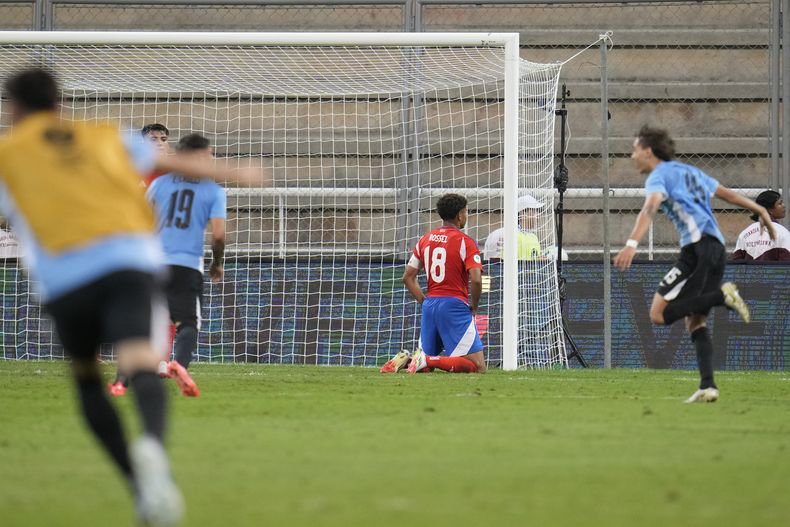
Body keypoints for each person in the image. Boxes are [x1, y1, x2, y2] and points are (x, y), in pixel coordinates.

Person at [0, 68, 258, 525]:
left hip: (67, 278)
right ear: (59, 101)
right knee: (143, 359)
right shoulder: (103, 135)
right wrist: (233, 171)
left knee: (86, 379)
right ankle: (153, 448)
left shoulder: (8, 153)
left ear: (14, 108)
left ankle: (139, 485)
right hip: (130, 265)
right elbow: (173, 163)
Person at [613, 125, 775, 403]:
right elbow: (725, 193)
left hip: (696, 251)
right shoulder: (689, 171)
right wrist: (758, 208)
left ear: (648, 152)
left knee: (657, 314)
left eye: (635, 149)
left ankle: (722, 296)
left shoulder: (658, 176)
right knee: (696, 320)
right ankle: (708, 386)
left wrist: (631, 244)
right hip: (716, 249)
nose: (632, 156)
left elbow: (650, 207)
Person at [148, 133, 226, 396]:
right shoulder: (213, 190)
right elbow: (218, 235)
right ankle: (179, 365)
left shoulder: (159, 184)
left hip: (153, 263)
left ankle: (130, 376)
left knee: (153, 319)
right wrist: (217, 263)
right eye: (209, 154)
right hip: (186, 263)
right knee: (189, 323)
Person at [381, 193, 486, 374]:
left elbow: (407, 277)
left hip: (431, 305)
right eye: (466, 212)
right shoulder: (465, 242)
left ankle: (408, 360)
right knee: (477, 366)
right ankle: (425, 358)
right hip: (453, 305)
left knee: (424, 369)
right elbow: (476, 279)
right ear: (460, 214)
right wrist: (474, 306)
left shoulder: (425, 239)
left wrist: (424, 301)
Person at [731, 190, 790, 261]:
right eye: (780, 203)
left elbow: (737, 262)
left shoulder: (745, 233)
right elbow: (786, 264)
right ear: (770, 210)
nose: (784, 206)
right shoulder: (782, 232)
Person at [483, 194, 543, 262]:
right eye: (535, 211)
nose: (538, 215)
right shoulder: (500, 235)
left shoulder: (534, 237)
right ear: (523, 213)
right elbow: (493, 267)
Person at [141, 123, 171, 187]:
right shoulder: (136, 171)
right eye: (153, 140)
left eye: (163, 139)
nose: (160, 143)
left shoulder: (179, 172)